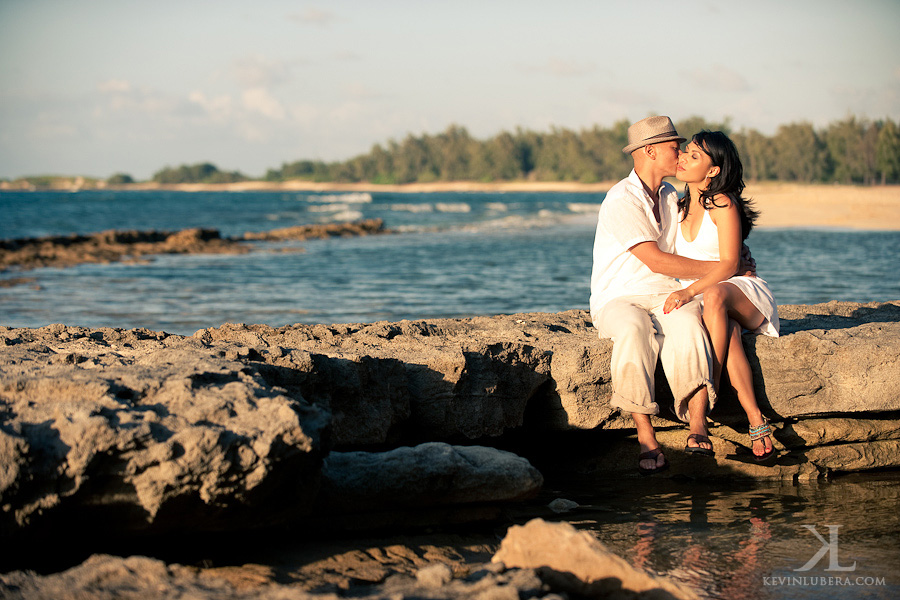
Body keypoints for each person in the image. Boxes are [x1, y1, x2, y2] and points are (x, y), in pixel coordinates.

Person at [590, 116, 750, 474]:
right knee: (633, 331)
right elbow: (657, 260)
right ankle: (646, 436)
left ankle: (697, 424)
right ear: (649, 151)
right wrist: (725, 267)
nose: (679, 153)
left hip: (665, 293)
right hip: (619, 297)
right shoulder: (621, 198)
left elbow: (705, 235)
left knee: (689, 324)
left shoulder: (668, 195)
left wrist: (735, 260)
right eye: (673, 147)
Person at [664, 130, 779, 462]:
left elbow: (729, 263)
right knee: (724, 326)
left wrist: (687, 291)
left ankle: (708, 386)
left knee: (714, 297)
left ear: (713, 170)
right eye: (685, 152)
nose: (683, 157)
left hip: (744, 293)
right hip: (711, 300)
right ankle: (755, 417)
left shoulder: (722, 202)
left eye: (695, 156)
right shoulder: (676, 206)